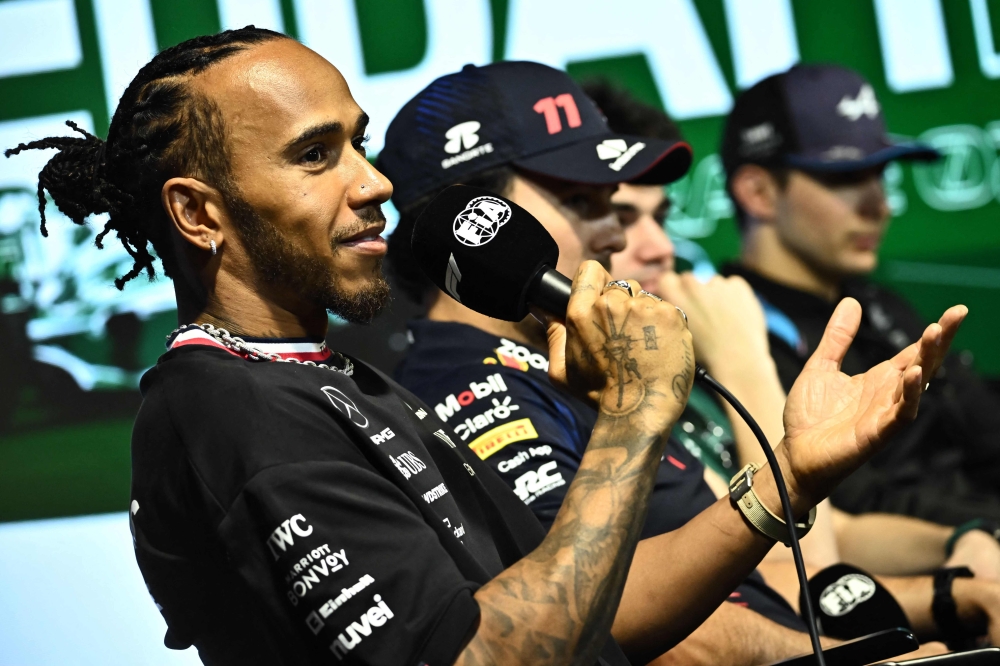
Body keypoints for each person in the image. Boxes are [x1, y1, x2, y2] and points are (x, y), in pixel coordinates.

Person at [5, 31, 961, 666]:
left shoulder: (337, 381)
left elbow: (596, 619)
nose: (374, 181)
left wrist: (791, 473)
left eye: (361, 144)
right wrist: (633, 417)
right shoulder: (222, 406)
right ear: (199, 213)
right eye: (315, 155)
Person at [380, 66, 984, 663]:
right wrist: (850, 658)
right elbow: (599, 612)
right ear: (472, 230)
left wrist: (950, 588)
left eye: (616, 204)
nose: (616, 236)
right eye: (581, 202)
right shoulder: (471, 391)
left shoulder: (570, 364)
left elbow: (769, 568)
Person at [719, 64, 1000, 532]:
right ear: (760, 193)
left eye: (880, 173)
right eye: (844, 177)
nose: (880, 204)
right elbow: (845, 509)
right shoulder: (734, 332)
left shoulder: (877, 300)